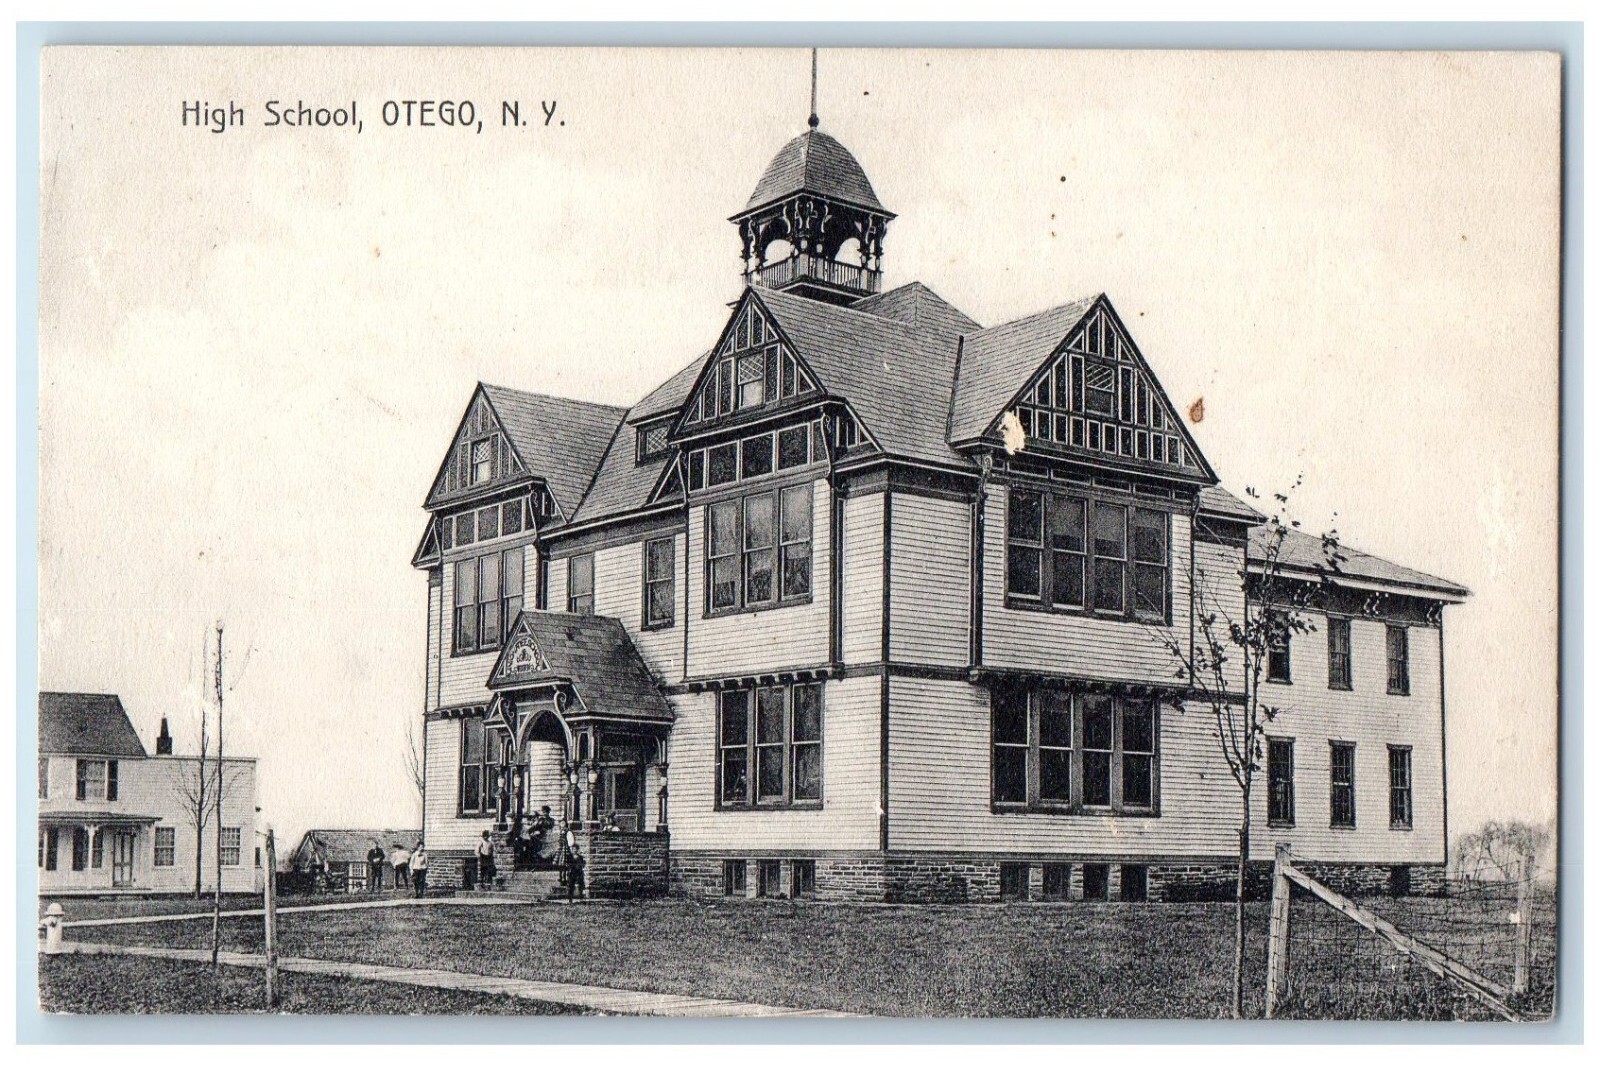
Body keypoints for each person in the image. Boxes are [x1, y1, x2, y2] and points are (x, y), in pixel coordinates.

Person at [563, 825, 586, 902]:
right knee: (571, 884)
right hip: (572, 872)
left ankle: (581, 896)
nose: (574, 850)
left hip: (579, 872)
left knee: (581, 884)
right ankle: (570, 898)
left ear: (577, 850)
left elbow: (583, 863)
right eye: (572, 849)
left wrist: (581, 866)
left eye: (575, 849)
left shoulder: (580, 857)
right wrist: (569, 867)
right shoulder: (569, 856)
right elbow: (567, 863)